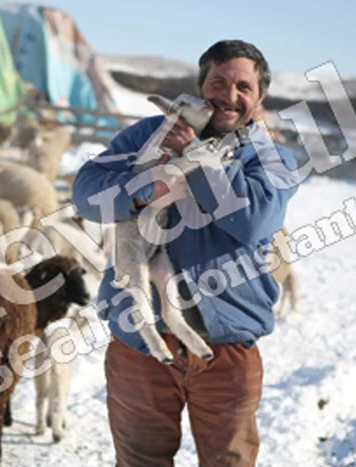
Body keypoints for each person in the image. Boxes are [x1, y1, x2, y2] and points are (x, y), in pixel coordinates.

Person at [72, 40, 298, 467]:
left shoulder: (271, 158)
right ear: (200, 86)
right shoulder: (149, 134)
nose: (229, 96)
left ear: (259, 98)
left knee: (228, 462)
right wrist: (141, 193)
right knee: (140, 461)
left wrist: (195, 153)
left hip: (227, 347)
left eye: (243, 87)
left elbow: (248, 219)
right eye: (218, 82)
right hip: (140, 345)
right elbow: (85, 193)